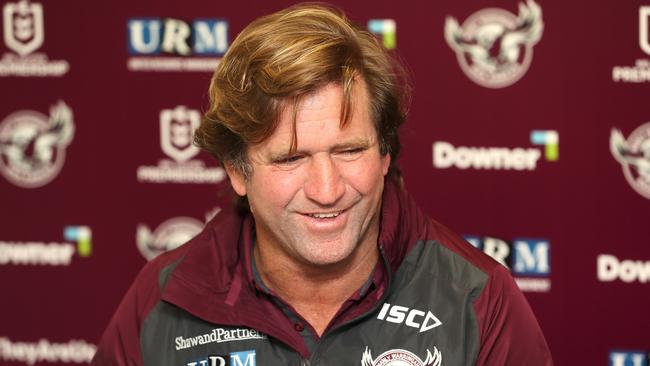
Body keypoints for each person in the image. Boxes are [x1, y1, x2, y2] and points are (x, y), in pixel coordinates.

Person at [92, 4, 553, 365]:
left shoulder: (476, 298)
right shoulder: (163, 301)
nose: (327, 189)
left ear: (385, 153)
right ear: (236, 170)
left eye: (349, 150)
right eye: (291, 158)